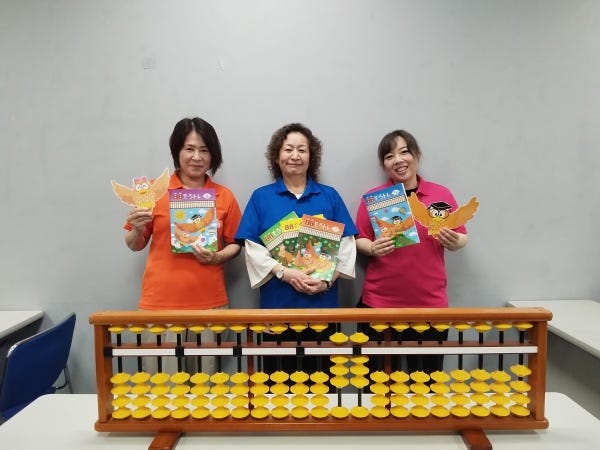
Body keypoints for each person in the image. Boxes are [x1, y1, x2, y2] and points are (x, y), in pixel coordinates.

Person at [235, 122, 357, 377]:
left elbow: (347, 245)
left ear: (311, 156)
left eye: (302, 150)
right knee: (277, 382)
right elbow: (252, 248)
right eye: (288, 149)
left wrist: (327, 281)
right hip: (277, 308)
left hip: (323, 307)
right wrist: (284, 273)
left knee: (323, 381)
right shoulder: (261, 197)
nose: (295, 155)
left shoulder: (329, 196)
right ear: (276, 156)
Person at [123, 117, 242, 373]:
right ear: (177, 151)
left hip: (209, 304)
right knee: (162, 387)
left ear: (213, 155)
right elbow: (134, 244)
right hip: (159, 305)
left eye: (204, 150)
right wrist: (137, 228)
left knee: (206, 385)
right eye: (189, 149)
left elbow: (236, 244)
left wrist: (217, 256)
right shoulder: (154, 192)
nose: (197, 157)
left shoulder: (224, 196)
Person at [355, 129, 468, 377]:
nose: (398, 160)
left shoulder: (440, 194)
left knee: (427, 383)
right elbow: (358, 238)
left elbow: (462, 235)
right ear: (384, 165)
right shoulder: (374, 198)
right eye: (389, 156)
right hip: (379, 304)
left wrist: (455, 241)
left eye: (404, 152)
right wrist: (371, 248)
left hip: (430, 305)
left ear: (417, 155)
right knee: (379, 384)